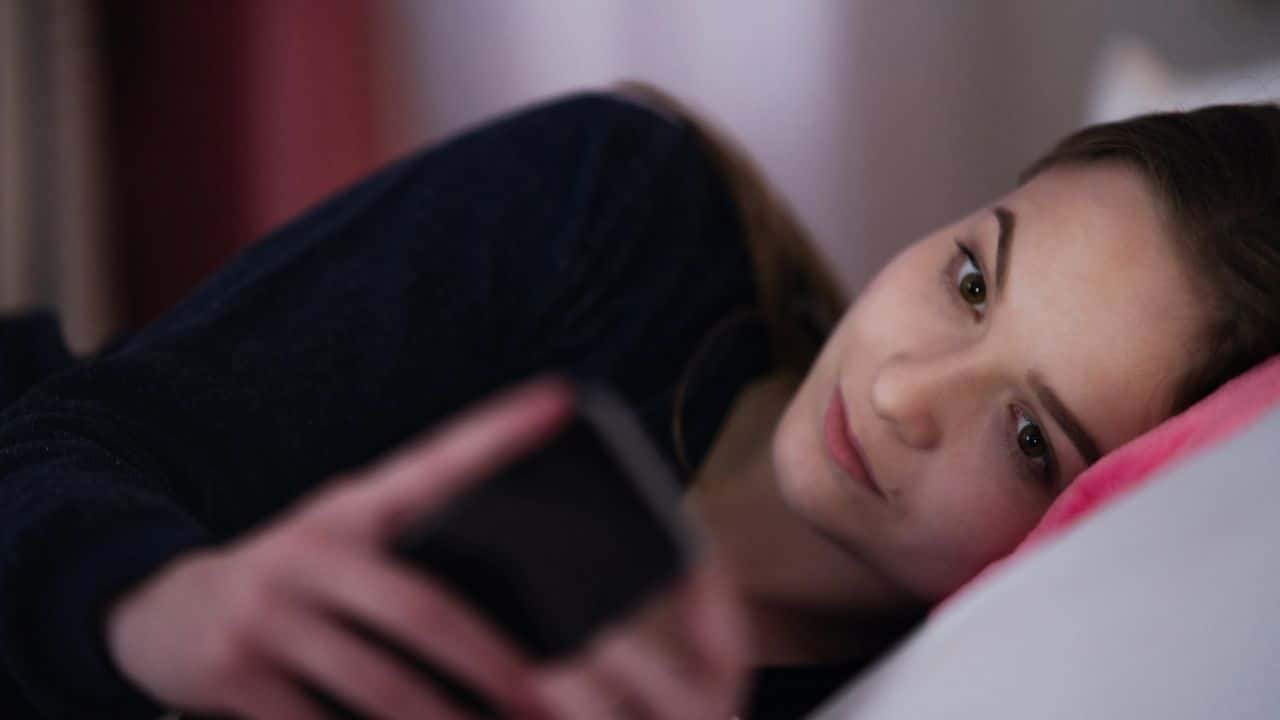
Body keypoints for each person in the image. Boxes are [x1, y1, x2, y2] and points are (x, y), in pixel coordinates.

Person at [1, 84, 1278, 719]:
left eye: (1028, 436)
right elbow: (78, 433)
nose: (899, 393)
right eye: (969, 279)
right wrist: (156, 602)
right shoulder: (619, 218)